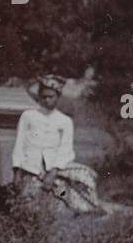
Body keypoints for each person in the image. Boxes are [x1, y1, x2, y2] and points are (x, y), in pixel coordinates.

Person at [11, 75, 108, 213]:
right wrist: (16, 171)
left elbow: (65, 149)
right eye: (44, 96)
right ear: (39, 96)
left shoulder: (64, 121)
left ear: (58, 97)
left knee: (74, 186)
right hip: (30, 167)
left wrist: (53, 171)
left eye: (51, 96)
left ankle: (84, 209)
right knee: (27, 203)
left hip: (55, 169)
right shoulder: (28, 116)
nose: (47, 100)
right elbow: (19, 143)